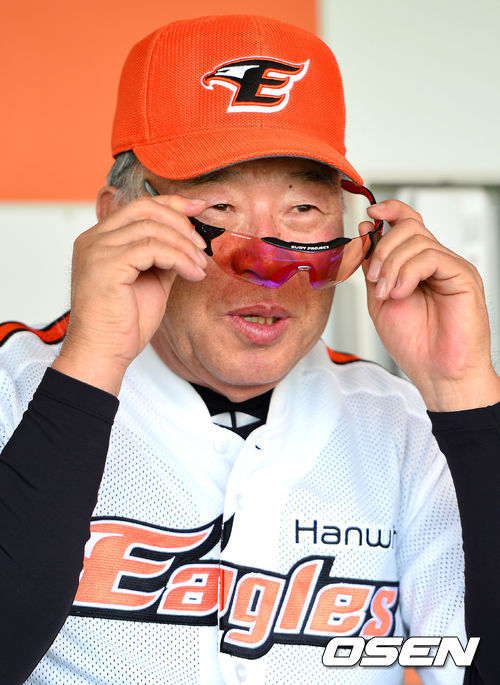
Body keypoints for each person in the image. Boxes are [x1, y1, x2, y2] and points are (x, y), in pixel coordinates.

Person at [0, 13, 499, 685]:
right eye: (218, 209)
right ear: (117, 218)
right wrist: (95, 361)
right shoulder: (15, 387)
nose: (268, 268)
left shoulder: (403, 424)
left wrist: (467, 398)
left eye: (303, 212)